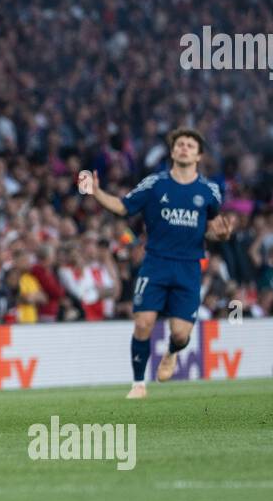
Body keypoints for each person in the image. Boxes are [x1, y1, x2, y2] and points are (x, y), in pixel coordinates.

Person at [84, 127, 235, 398]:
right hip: (155, 263)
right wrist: (96, 192)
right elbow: (122, 206)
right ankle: (138, 384)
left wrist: (221, 235)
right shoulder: (155, 184)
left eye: (190, 145)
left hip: (189, 267)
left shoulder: (210, 191)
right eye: (180, 144)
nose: (184, 148)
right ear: (173, 151)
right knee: (143, 322)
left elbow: (210, 227)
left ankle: (172, 354)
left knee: (179, 334)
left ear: (199, 155)